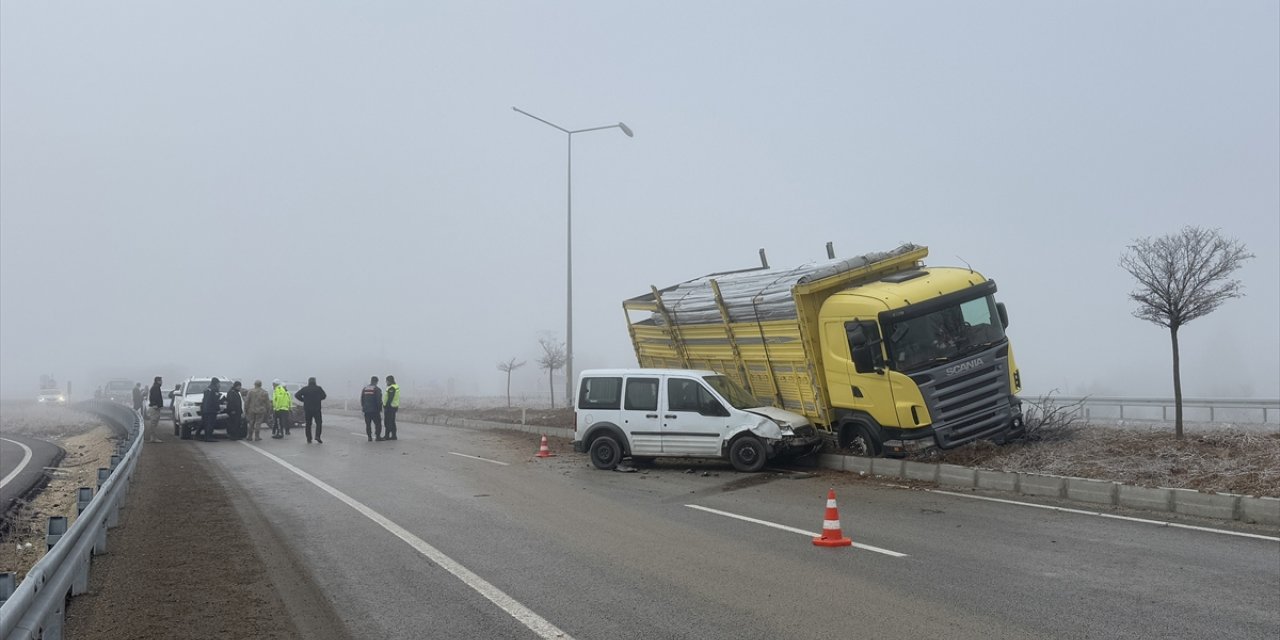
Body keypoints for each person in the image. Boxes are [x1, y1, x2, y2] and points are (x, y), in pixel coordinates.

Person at [295, 377, 327, 444]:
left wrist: (304, 400)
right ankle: (317, 436)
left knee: (308, 424)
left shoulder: (305, 389)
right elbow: (324, 396)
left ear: (308, 382)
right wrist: (318, 399)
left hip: (307, 409)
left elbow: (297, 395)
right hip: (317, 409)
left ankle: (309, 438)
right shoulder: (318, 388)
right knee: (319, 423)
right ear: (315, 382)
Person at [360, 376, 383, 442]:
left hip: (366, 410)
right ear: (376, 382)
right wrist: (380, 409)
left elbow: (362, 399)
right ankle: (377, 437)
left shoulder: (365, 389)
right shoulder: (377, 389)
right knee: (378, 424)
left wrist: (363, 407)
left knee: (368, 424)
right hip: (375, 410)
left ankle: (369, 437)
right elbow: (379, 400)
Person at [145, 376, 165, 443]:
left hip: (155, 407)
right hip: (155, 408)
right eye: (161, 380)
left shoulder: (155, 387)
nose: (162, 382)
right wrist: (155, 404)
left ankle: (153, 437)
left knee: (154, 423)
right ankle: (153, 438)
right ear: (158, 381)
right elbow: (155, 397)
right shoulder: (156, 388)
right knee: (154, 423)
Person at [383, 375, 400, 441]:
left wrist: (386, 405)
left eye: (386, 381)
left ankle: (387, 436)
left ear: (389, 381)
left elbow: (390, 398)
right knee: (392, 422)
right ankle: (394, 435)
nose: (386, 382)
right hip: (394, 406)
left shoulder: (391, 388)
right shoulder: (395, 387)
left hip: (390, 407)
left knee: (388, 422)